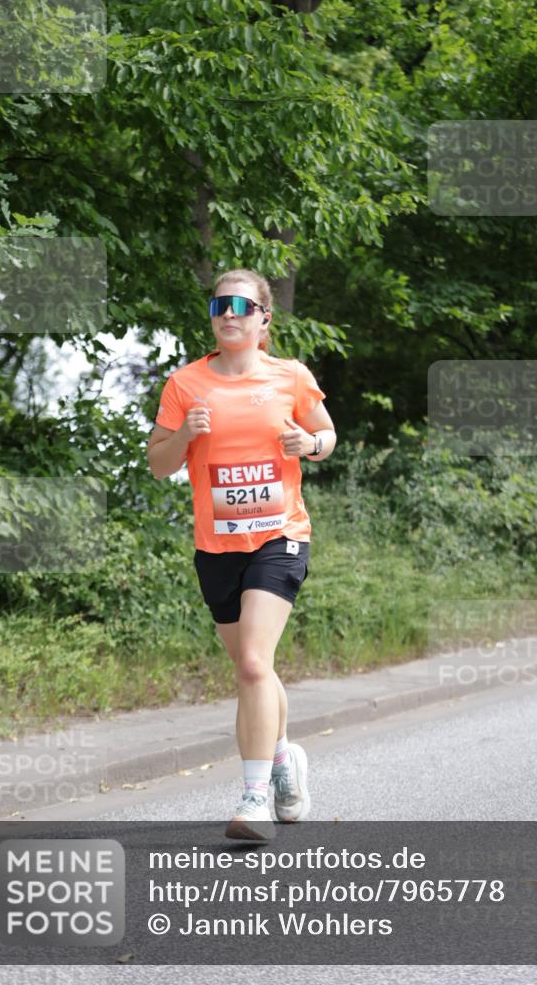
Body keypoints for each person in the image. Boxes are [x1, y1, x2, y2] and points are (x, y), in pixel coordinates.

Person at [147, 268, 336, 841]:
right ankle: (284, 760)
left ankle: (254, 799)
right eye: (219, 304)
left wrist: (310, 443)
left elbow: (327, 436)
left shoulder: (290, 377)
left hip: (280, 537)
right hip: (217, 548)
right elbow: (159, 464)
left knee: (254, 662)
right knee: (252, 668)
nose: (229, 312)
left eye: (241, 304)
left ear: (263, 319)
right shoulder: (185, 384)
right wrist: (185, 436)